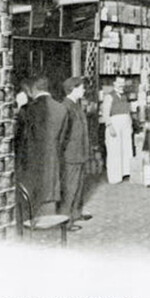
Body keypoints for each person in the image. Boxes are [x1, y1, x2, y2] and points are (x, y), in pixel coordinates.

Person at [14, 75, 69, 216]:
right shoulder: (61, 108)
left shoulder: (28, 109)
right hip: (52, 156)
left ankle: (31, 220)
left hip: (32, 157)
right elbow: (62, 137)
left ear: (33, 89)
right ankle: (50, 218)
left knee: (32, 190)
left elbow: (20, 135)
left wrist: (20, 107)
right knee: (50, 188)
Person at [59, 76, 93, 229]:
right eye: (81, 87)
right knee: (70, 187)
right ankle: (66, 221)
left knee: (79, 185)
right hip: (71, 154)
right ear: (73, 89)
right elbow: (62, 134)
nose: (84, 90)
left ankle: (76, 213)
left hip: (80, 152)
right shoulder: (65, 107)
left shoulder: (76, 105)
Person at [101, 76, 134, 184]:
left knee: (126, 148)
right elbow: (105, 113)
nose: (121, 84)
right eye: (119, 82)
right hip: (114, 124)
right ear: (114, 83)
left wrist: (130, 124)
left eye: (123, 83)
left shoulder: (124, 96)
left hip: (125, 124)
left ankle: (125, 173)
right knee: (114, 150)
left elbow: (128, 111)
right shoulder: (109, 96)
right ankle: (115, 177)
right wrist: (110, 126)